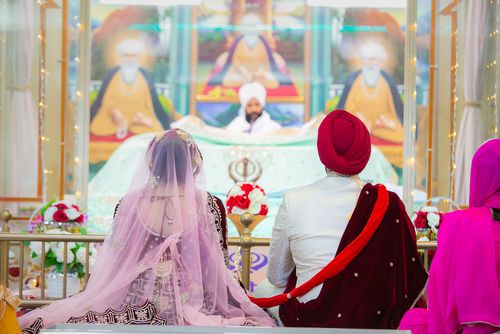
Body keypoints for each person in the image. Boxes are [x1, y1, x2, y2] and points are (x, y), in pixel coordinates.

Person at [19, 129, 276, 332]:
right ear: (193, 163)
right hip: (194, 300)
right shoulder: (207, 204)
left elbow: (118, 260)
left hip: (135, 300)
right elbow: (218, 262)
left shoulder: (129, 203)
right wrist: (240, 298)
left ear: (152, 162)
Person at [252, 109, 427, 328]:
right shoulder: (387, 203)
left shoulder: (293, 200)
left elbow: (277, 277)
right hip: (370, 318)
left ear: (322, 150)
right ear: (365, 151)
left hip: (309, 318)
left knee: (264, 289)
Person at [399, 139, 500, 334]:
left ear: (480, 177)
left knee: (411, 321)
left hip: (470, 329)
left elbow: (440, 303)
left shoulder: (460, 224)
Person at [90, 38, 171, 164]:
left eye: (133, 56)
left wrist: (146, 120)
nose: (129, 59)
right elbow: (103, 102)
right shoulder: (111, 75)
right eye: (126, 55)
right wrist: (113, 113)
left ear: (138, 58)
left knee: (155, 129)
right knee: (97, 127)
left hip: (138, 122)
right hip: (112, 121)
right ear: (120, 57)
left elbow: (154, 105)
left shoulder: (144, 75)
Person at [337, 42, 404, 169]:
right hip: (359, 124)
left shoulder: (387, 80)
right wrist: (358, 118)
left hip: (382, 125)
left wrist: (385, 120)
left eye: (374, 59)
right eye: (367, 59)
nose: (371, 63)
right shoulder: (353, 79)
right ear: (362, 61)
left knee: (400, 134)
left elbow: (396, 111)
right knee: (348, 135)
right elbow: (346, 109)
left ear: (380, 61)